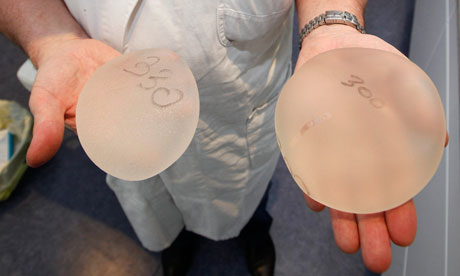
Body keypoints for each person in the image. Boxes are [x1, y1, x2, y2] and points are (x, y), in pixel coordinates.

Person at [0, 0, 449, 275]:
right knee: (155, 199)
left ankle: (251, 233)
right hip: (113, 99)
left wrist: (333, 20)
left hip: (240, 101)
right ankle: (177, 244)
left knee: (246, 194)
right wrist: (49, 40)